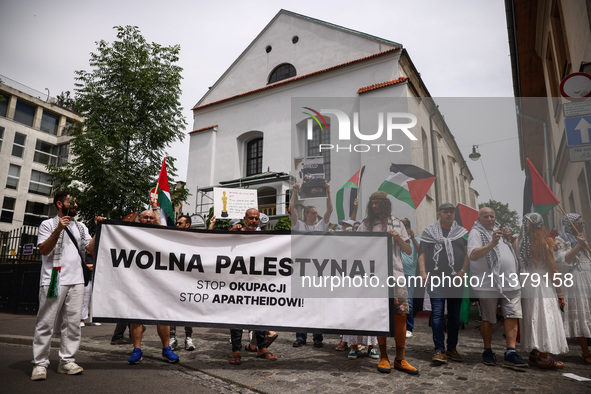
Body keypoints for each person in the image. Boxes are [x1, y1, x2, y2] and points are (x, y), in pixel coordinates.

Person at [31, 190, 104, 381]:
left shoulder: (80, 227)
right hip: (54, 278)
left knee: (72, 324)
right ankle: (40, 364)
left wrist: (99, 230)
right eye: (72, 201)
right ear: (59, 204)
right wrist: (58, 230)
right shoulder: (48, 224)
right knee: (45, 322)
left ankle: (67, 361)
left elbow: (90, 250)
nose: (76, 205)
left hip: (77, 280)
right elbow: (45, 251)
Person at [357, 191, 418, 375]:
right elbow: (356, 249)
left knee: (401, 316)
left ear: (385, 205)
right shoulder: (365, 225)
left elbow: (408, 250)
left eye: (377, 203)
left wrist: (398, 238)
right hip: (375, 278)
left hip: (396, 276)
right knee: (380, 317)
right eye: (372, 203)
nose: (374, 206)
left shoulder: (397, 223)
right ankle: (384, 357)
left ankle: (400, 359)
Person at [468, 207, 527, 370]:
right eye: (485, 216)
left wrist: (509, 239)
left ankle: (511, 352)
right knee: (488, 318)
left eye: (492, 216)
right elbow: (473, 254)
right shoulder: (475, 233)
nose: (490, 219)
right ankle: (487, 350)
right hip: (488, 284)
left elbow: (515, 256)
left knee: (512, 315)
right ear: (479, 219)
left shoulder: (500, 231)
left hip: (510, 282)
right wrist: (492, 243)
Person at [128, 205, 179, 364]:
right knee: (136, 316)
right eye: (146, 217)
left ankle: (166, 349)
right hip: (138, 280)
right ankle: (137, 350)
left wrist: (156, 211)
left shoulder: (160, 234)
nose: (149, 220)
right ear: (140, 219)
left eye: (151, 218)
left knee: (162, 316)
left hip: (158, 281)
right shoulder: (131, 233)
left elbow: (164, 231)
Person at [418, 203, 468, 364]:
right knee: (438, 314)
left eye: (451, 212)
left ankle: (452, 348)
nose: (449, 214)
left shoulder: (461, 232)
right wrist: (423, 272)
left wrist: (462, 271)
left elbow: (468, 253)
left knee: (454, 316)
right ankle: (439, 349)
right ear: (439, 213)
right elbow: (422, 252)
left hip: (456, 278)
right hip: (436, 277)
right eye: (446, 212)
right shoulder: (430, 232)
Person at [516, 213, 568, 369]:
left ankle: (534, 350)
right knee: (545, 315)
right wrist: (560, 294)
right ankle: (544, 356)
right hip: (541, 283)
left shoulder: (520, 242)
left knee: (532, 315)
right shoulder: (544, 243)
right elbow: (553, 269)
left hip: (526, 283)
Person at [229, 208, 278, 364]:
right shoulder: (235, 234)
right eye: (251, 218)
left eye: (256, 219)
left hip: (258, 283)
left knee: (260, 316)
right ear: (245, 219)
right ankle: (236, 350)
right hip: (238, 283)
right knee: (236, 318)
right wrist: (231, 233)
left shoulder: (263, 237)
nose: (254, 221)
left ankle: (261, 348)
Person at [290, 182, 332, 347]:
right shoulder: (299, 225)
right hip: (301, 270)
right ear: (306, 214)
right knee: (302, 304)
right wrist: (294, 192)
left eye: (316, 213)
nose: (316, 215)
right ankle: (301, 337)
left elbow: (330, 210)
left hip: (317, 270)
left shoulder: (321, 226)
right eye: (313, 213)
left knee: (317, 304)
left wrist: (328, 191)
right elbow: (291, 209)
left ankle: (317, 337)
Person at [554, 213, 591, 364]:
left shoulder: (582, 237)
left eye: (583, 222)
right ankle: (585, 352)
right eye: (579, 223)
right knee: (581, 314)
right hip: (575, 280)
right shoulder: (560, 240)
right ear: (570, 224)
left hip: (588, 277)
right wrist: (578, 245)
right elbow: (564, 261)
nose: (582, 225)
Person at [170, 215, 196, 351]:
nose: (177, 225)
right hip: (175, 279)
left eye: (180, 223)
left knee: (188, 310)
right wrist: (155, 210)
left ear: (187, 225)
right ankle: (172, 338)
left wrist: (211, 226)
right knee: (173, 309)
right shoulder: (174, 237)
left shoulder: (194, 238)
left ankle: (188, 338)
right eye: (176, 223)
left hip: (189, 280)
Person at [401, 218, 420, 338]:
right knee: (396, 301)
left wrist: (412, 238)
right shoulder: (397, 237)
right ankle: (397, 326)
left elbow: (420, 250)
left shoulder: (415, 238)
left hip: (409, 274)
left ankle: (409, 327)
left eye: (405, 226)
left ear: (408, 228)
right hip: (396, 273)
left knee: (409, 302)